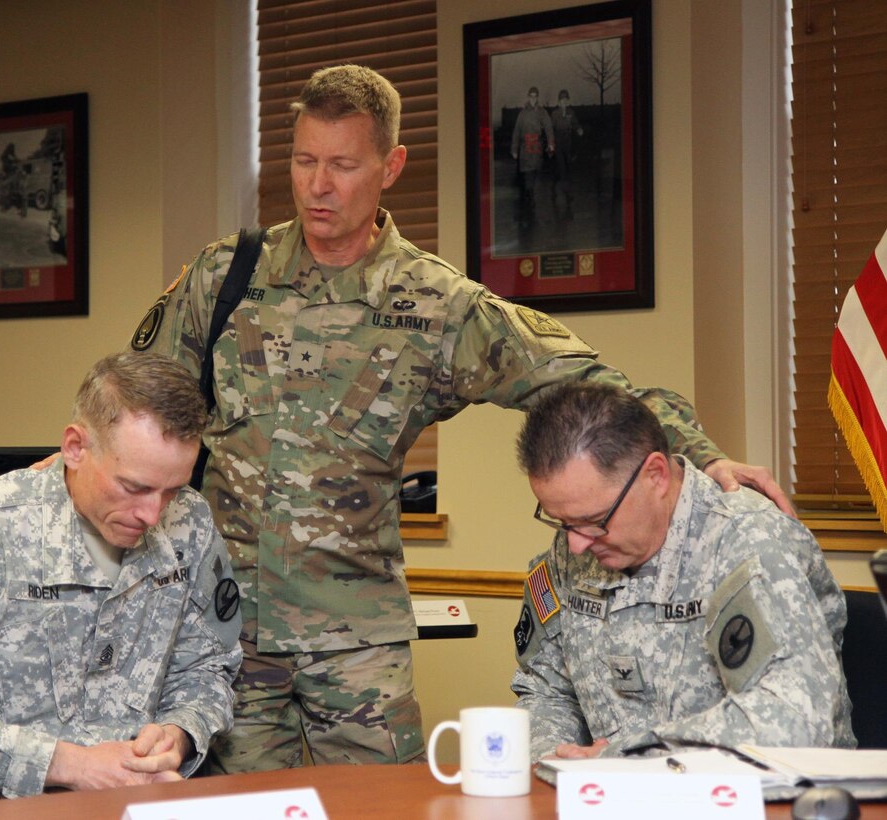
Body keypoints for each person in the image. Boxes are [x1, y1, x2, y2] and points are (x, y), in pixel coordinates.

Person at [129, 63, 789, 774]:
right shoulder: (226, 275)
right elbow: (135, 400)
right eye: (303, 161)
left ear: (390, 167)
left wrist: (702, 452)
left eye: (343, 165)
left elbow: (587, 384)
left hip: (359, 648)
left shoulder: (434, 305)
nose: (317, 186)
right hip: (226, 633)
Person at [0, 352, 242, 805]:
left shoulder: (188, 522)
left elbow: (210, 666)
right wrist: (70, 765)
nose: (153, 513)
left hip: (127, 806)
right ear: (76, 448)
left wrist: (178, 733)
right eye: (134, 487)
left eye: (171, 489)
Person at [510, 382, 855, 762]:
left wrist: (631, 757)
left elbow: (795, 720)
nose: (575, 544)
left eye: (593, 521)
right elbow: (544, 690)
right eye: (561, 522)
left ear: (656, 475)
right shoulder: (572, 549)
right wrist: (552, 756)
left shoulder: (749, 541)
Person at [510, 85, 555, 228]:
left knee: (535, 171)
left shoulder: (542, 113)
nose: (533, 99)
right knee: (527, 172)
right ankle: (529, 194)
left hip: (537, 147)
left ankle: (530, 192)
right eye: (531, 96)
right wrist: (514, 148)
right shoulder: (522, 114)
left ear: (538, 97)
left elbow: (548, 127)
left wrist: (551, 143)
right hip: (525, 148)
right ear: (528, 97)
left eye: (535, 96)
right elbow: (517, 131)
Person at [549, 89, 583, 221]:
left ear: (568, 101)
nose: (564, 102)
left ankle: (553, 185)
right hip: (558, 142)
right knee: (563, 168)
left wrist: (579, 129)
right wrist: (551, 144)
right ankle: (567, 193)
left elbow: (575, 123)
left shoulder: (571, 112)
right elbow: (551, 128)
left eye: (565, 100)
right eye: (562, 100)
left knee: (565, 167)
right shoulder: (555, 113)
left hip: (567, 143)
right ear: (558, 102)